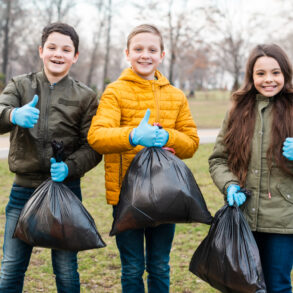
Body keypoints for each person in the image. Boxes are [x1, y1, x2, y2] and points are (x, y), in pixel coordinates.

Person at [87, 24, 199, 293]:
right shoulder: (115, 92)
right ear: (128, 53)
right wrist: (134, 136)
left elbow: (192, 143)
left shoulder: (176, 95)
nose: (145, 55)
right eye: (138, 49)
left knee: (160, 265)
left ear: (162, 55)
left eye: (152, 49)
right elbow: (97, 137)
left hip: (166, 194)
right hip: (128, 198)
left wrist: (168, 138)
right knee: (133, 267)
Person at [0, 22, 102, 293]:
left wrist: (69, 167)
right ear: (41, 50)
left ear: (75, 56)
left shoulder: (86, 96)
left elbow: (93, 147)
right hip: (23, 190)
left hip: (66, 191)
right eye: (52, 47)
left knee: (66, 269)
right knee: (11, 266)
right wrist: (12, 115)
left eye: (66, 49)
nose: (58, 54)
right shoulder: (20, 85)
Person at [209, 44, 293, 293]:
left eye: (275, 72)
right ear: (251, 76)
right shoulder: (237, 110)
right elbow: (218, 159)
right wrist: (230, 184)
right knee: (244, 286)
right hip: (242, 216)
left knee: (277, 284)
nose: (269, 79)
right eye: (261, 73)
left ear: (285, 74)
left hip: (284, 220)